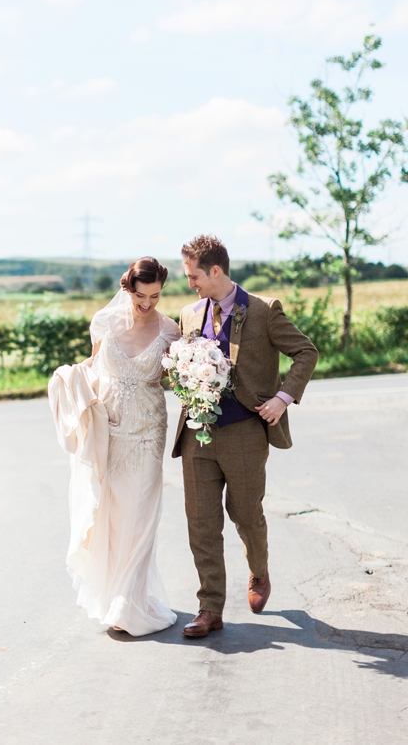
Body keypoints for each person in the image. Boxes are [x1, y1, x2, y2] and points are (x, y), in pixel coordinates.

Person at [175, 235, 317, 639]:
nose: (191, 284)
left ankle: (259, 570)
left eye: (194, 276)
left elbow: (306, 352)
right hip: (196, 435)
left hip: (244, 434)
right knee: (201, 523)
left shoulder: (262, 310)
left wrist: (283, 398)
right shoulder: (188, 314)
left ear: (215, 271)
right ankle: (209, 608)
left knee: (246, 516)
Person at [49, 257, 181, 636]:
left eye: (156, 296)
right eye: (141, 296)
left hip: (148, 430)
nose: (148, 304)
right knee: (111, 511)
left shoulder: (170, 331)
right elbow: (93, 366)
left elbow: (173, 380)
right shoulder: (103, 322)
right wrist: (68, 381)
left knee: (140, 514)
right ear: (128, 289)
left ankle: (127, 601)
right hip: (110, 428)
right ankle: (113, 595)